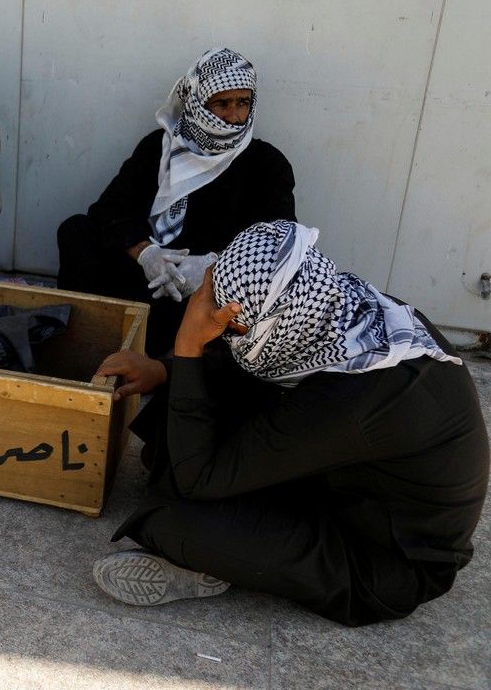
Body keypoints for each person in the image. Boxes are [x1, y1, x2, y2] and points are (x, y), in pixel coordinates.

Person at [91, 220, 488, 626]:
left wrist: (188, 344)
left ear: (273, 325)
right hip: (347, 479)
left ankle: (216, 564)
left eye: (231, 326)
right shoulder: (340, 309)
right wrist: (164, 370)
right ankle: (235, 551)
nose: (223, 334)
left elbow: (197, 477)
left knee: (173, 518)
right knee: (173, 431)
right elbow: (253, 363)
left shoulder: (352, 399)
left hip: (380, 559)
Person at [57, 48, 295, 356]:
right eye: (221, 104)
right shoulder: (160, 148)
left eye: (242, 103)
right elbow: (107, 212)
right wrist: (147, 254)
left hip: (206, 301)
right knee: (75, 231)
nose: (234, 117)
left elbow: (280, 244)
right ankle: (85, 350)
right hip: (148, 283)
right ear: (197, 103)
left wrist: (213, 269)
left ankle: (168, 364)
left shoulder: (267, 165)